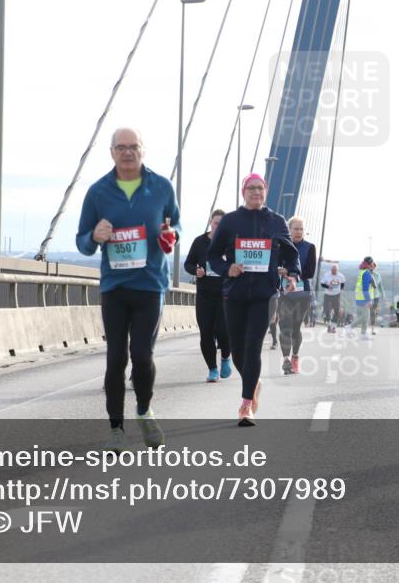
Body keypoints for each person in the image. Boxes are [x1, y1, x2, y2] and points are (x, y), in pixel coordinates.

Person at [77, 128, 180, 452]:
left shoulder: (161, 187)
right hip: (115, 287)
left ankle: (144, 410)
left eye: (133, 147)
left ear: (143, 150)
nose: (127, 153)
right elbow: (82, 243)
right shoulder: (98, 192)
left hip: (150, 285)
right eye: (121, 148)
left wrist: (170, 234)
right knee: (115, 358)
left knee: (142, 355)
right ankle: (116, 429)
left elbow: (175, 225)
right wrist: (95, 235)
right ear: (111, 153)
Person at [208, 173, 300, 426]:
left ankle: (246, 404)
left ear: (266, 191)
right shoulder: (230, 221)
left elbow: (292, 256)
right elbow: (213, 255)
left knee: (252, 345)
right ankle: (254, 382)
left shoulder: (277, 222)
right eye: (251, 188)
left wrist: (293, 274)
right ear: (243, 192)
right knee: (237, 350)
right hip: (235, 294)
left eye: (260, 188)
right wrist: (228, 269)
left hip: (264, 294)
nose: (256, 192)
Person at [184, 209, 232, 383]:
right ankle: (212, 369)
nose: (218, 226)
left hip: (225, 295)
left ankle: (226, 357)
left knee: (224, 332)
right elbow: (188, 263)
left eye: (222, 223)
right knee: (206, 333)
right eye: (215, 223)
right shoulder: (200, 242)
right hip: (204, 295)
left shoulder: (231, 242)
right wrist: (196, 271)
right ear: (210, 223)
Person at [278, 217, 315, 374]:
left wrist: (290, 272)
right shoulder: (280, 246)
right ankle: (286, 359)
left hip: (302, 292)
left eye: (301, 229)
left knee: (295, 327)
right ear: (289, 229)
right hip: (283, 292)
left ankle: (295, 357)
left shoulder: (309, 247)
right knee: (284, 326)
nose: (299, 232)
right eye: (296, 229)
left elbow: (310, 272)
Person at [352, 256, 378, 340]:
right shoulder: (366, 273)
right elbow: (365, 288)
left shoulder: (363, 271)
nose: (373, 265)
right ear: (370, 264)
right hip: (364, 297)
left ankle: (363, 334)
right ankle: (349, 327)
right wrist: (368, 300)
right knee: (365, 316)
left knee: (365, 316)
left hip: (359, 296)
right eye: (372, 263)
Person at [319, 262, 346, 333]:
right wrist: (328, 286)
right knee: (327, 311)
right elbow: (322, 284)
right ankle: (329, 326)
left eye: (335, 270)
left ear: (337, 270)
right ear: (331, 269)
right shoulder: (327, 275)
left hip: (337, 295)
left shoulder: (341, 276)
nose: (334, 271)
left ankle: (333, 327)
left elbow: (343, 284)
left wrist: (341, 290)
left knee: (336, 311)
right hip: (327, 295)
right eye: (332, 270)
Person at [369, 259, 384, 334]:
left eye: (373, 266)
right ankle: (370, 327)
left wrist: (383, 294)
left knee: (373, 312)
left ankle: (372, 329)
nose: (372, 268)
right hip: (368, 296)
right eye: (370, 266)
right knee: (371, 312)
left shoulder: (378, 275)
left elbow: (380, 285)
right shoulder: (366, 274)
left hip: (376, 296)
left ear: (375, 267)